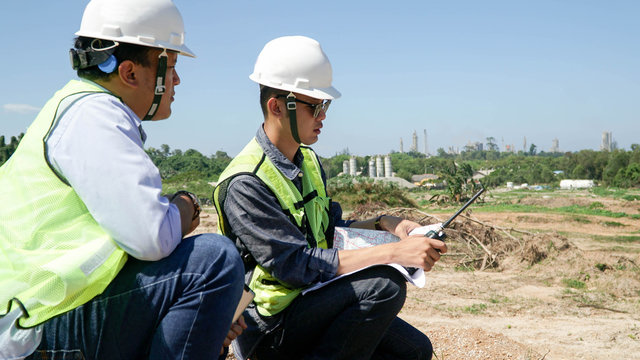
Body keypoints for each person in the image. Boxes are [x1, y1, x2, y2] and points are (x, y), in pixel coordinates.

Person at [0, 0, 244, 359]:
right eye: (171, 66)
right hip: (41, 323)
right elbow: (152, 238)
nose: (176, 80)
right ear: (129, 73)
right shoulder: (95, 116)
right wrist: (184, 206)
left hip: (41, 312)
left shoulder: (74, 109)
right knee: (214, 260)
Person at [213, 35, 448, 360]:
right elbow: (295, 266)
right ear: (277, 106)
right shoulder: (246, 182)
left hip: (311, 299)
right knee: (384, 286)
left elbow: (329, 230)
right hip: (269, 326)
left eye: (326, 105)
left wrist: (384, 224)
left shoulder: (307, 161)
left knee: (413, 350)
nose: (323, 115)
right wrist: (394, 252)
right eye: (315, 106)